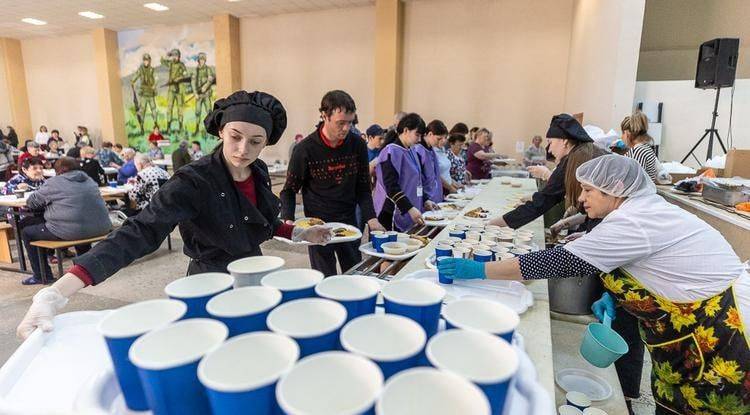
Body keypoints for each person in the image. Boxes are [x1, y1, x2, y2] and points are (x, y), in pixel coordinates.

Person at [439, 155, 750, 415]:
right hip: (684, 334)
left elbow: (556, 263)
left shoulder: (634, 222)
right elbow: (652, 267)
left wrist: (480, 269)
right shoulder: (636, 212)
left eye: (588, 190)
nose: (580, 198)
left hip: (720, 332)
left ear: (614, 189)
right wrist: (618, 297)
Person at [16, 90, 334, 338]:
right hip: (209, 282)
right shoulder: (194, 180)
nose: (242, 150)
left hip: (254, 273)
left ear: (266, 143)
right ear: (221, 130)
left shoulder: (259, 171)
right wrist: (57, 293)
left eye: (255, 141)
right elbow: (141, 231)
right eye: (235, 136)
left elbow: (259, 221)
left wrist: (297, 232)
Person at [280, 90, 385, 276]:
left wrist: (371, 218)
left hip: (348, 223)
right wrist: (289, 221)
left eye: (350, 122)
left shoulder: (357, 145)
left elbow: (363, 187)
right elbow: (288, 190)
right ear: (324, 116)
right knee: (324, 276)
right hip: (317, 226)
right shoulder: (305, 149)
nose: (346, 128)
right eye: (340, 123)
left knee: (353, 273)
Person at [489, 114, 605, 231]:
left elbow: (541, 203)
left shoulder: (572, 160)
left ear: (564, 141)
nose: (549, 149)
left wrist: (492, 224)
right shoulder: (584, 152)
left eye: (550, 142)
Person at [21, 157, 111, 285]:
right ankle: (87, 267)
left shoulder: (54, 182)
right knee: (76, 220)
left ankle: (42, 276)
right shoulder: (88, 180)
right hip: (101, 227)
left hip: (73, 230)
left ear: (57, 171)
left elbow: (32, 202)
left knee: (27, 232)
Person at [374, 113, 439, 231]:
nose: (419, 140)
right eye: (417, 135)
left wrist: (425, 200)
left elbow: (415, 182)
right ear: (406, 130)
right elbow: (391, 187)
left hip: (409, 208)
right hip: (391, 212)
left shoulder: (412, 151)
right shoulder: (390, 152)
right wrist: (409, 208)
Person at [413, 119, 449, 204]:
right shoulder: (419, 150)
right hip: (426, 199)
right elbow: (418, 179)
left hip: (436, 196)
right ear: (430, 134)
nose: (442, 141)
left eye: (444, 138)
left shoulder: (431, 149)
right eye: (439, 138)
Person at [621, 111, 658, 183]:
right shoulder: (645, 147)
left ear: (627, 133)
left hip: (638, 193)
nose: (621, 137)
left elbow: (635, 181)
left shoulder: (638, 151)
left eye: (622, 133)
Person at [162, 49, 188, 132]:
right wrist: (167, 55)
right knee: (169, 108)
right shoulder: (170, 64)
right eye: (173, 56)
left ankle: (180, 127)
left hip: (179, 90)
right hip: (172, 90)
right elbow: (162, 61)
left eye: (176, 56)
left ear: (179, 57)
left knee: (180, 109)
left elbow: (186, 74)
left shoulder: (182, 65)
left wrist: (179, 78)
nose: (174, 57)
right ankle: (168, 127)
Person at [131, 53, 158, 134]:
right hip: (143, 94)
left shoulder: (152, 69)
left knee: (154, 110)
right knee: (142, 111)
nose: (146, 62)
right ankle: (142, 127)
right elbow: (136, 75)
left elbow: (156, 78)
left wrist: (154, 85)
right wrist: (132, 81)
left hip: (151, 93)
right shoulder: (141, 69)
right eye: (145, 60)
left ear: (149, 61)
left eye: (147, 60)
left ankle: (156, 126)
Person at [193, 52, 215, 135]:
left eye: (202, 59)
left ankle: (211, 130)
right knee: (197, 112)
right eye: (200, 60)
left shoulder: (208, 69)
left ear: (205, 60)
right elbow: (193, 82)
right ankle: (196, 129)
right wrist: (195, 93)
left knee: (209, 112)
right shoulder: (196, 70)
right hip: (199, 95)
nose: (201, 61)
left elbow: (210, 79)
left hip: (206, 95)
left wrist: (205, 87)